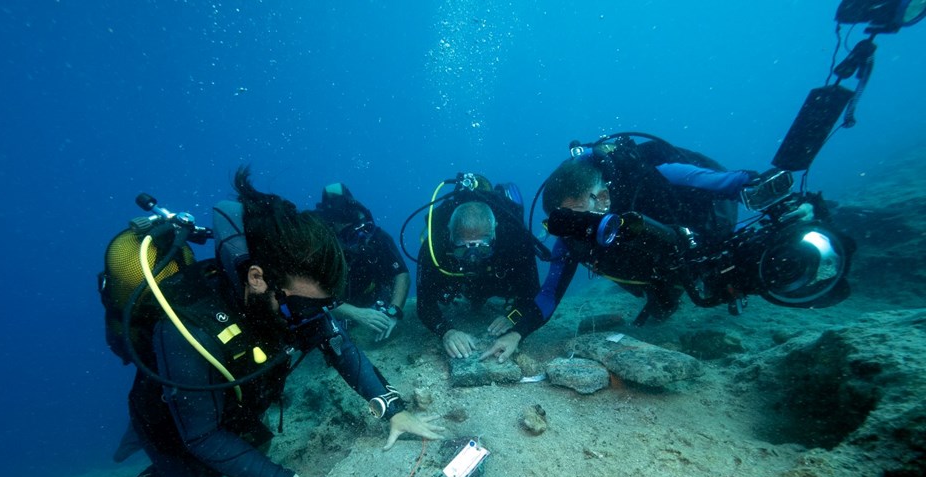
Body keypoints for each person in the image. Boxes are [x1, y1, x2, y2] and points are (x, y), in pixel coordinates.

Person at [106, 166, 444, 477]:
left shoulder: (297, 303)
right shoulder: (187, 328)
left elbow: (341, 347)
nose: (318, 316)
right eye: (308, 305)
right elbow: (200, 436)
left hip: (227, 404)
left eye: (326, 304)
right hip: (175, 426)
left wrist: (392, 409)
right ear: (257, 277)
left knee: (254, 448)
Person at [482, 134, 819, 362]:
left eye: (577, 216)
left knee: (727, 271)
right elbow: (549, 294)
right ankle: (663, 295)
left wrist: (764, 190)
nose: (574, 230)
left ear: (603, 196)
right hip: (652, 270)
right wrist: (517, 334)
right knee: (659, 301)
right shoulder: (570, 239)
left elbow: (724, 182)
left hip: (696, 235)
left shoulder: (652, 177)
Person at [415, 174, 540, 358]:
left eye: (482, 249)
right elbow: (424, 304)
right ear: (450, 235)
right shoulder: (434, 246)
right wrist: (446, 332)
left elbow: (532, 292)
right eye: (463, 249)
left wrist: (513, 316)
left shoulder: (516, 240)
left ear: (494, 233)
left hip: (498, 280)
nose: (472, 258)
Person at [314, 183, 410, 342]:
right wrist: (356, 314)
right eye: (337, 220)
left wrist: (393, 312)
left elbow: (401, 274)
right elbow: (310, 294)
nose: (344, 227)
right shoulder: (318, 245)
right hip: (333, 308)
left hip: (372, 298)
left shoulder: (376, 237)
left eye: (347, 219)